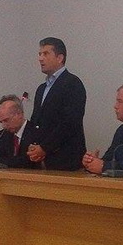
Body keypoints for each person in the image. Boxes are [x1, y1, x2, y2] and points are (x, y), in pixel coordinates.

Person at [26, 37, 87, 170]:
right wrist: (33, 145)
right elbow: (36, 121)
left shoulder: (72, 83)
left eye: (46, 54)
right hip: (42, 159)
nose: (40, 58)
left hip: (66, 159)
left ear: (60, 58)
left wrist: (44, 148)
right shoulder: (41, 88)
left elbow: (70, 122)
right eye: (39, 54)